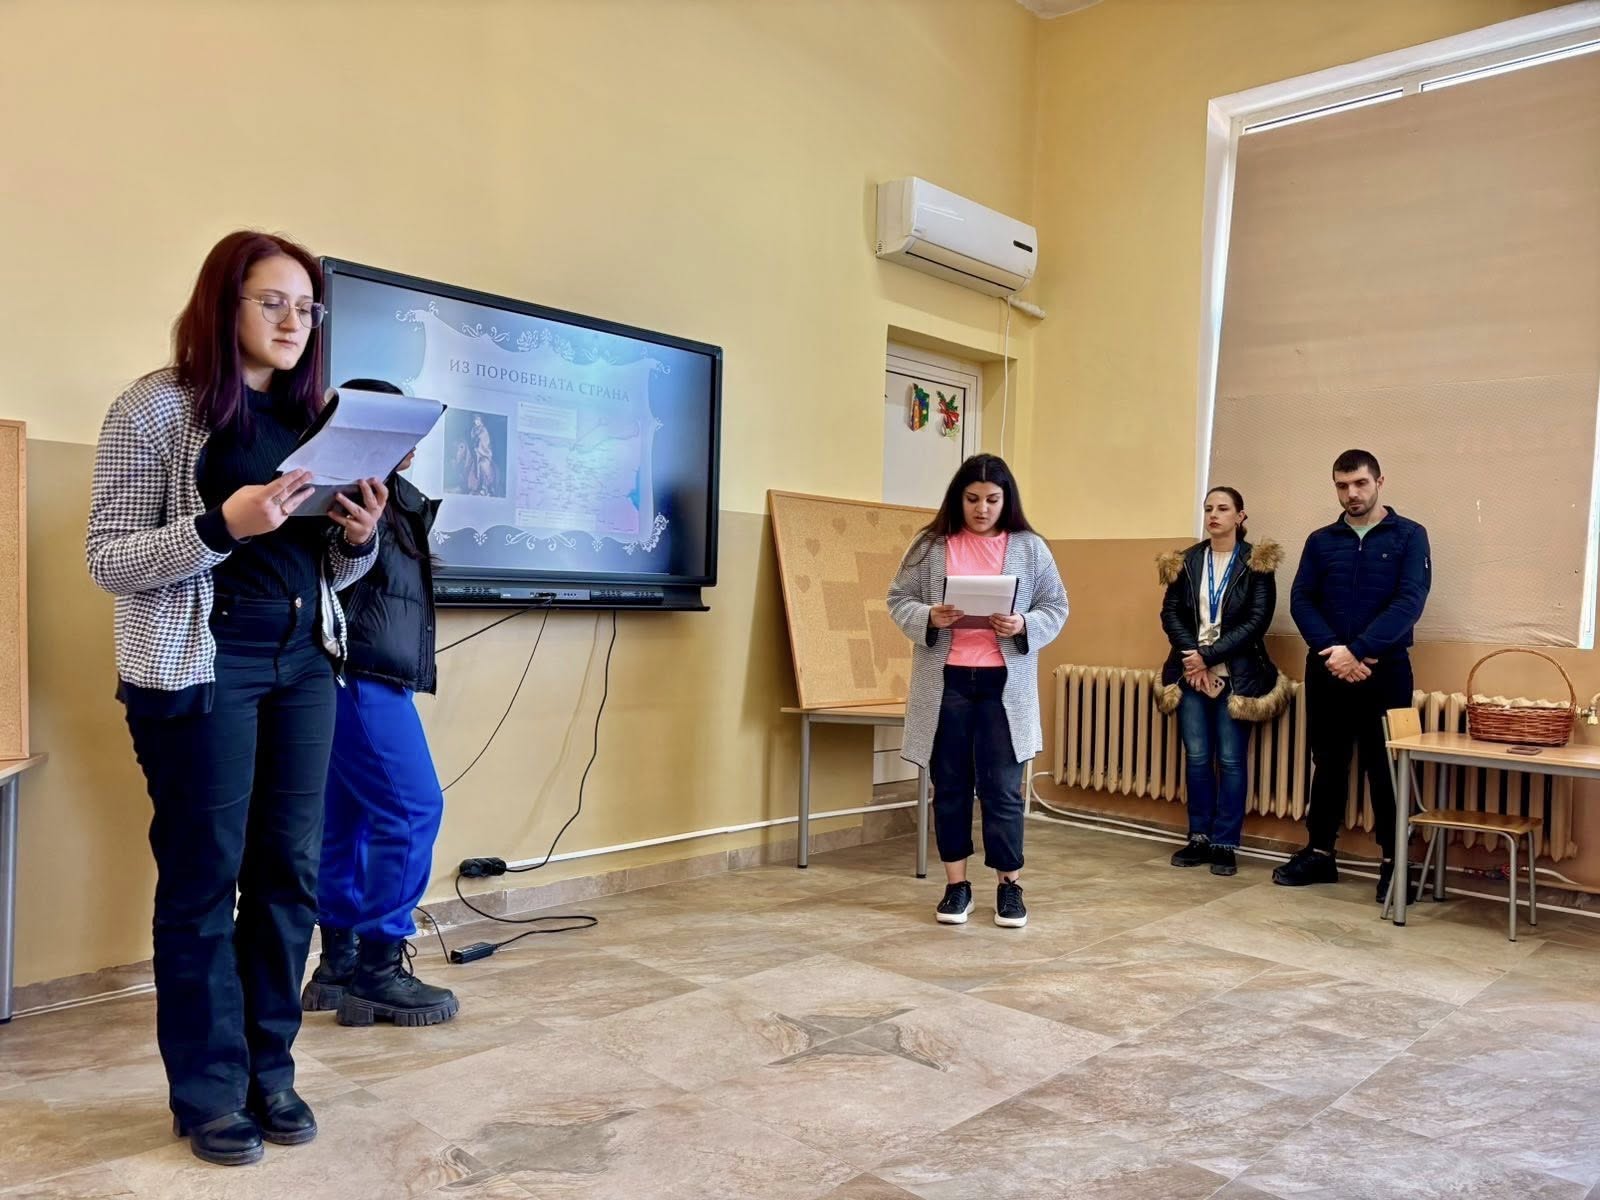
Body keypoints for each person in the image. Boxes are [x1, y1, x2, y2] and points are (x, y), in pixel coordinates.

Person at [85, 231, 388, 1166]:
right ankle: (209, 1093)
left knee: (289, 874)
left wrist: (359, 538)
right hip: (201, 665)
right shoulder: (155, 408)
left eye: (307, 307)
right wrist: (220, 525)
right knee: (204, 880)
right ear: (226, 304)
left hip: (303, 662)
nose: (295, 322)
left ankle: (270, 1072)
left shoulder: (315, 418)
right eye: (273, 302)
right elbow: (109, 558)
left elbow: (325, 567)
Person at [300, 379, 459, 1028]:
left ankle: (338, 965)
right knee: (414, 809)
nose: (411, 443)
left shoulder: (395, 498)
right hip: (356, 673)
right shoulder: (336, 494)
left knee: (347, 820)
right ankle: (377, 970)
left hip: (360, 674)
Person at [888, 454, 1069, 929]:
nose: (981, 509)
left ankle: (1010, 886)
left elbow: (1056, 605)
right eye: (972, 499)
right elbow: (898, 598)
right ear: (958, 498)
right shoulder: (930, 545)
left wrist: (1023, 623)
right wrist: (929, 616)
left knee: (1002, 788)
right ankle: (956, 887)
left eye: (992, 500)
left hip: (1003, 686)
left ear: (1007, 501)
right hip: (945, 682)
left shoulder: (1030, 548)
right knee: (949, 786)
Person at [1276, 450, 1431, 899]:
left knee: (1386, 767)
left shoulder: (1410, 535)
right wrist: (1334, 652)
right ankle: (1319, 853)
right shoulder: (1321, 540)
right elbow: (1302, 599)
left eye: (1360, 483)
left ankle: (1393, 863)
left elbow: (1409, 601)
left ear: (1379, 481)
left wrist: (1358, 651)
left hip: (1386, 670)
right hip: (1327, 667)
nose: (1352, 494)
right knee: (1327, 762)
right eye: (1342, 486)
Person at [1156, 487, 1289, 876]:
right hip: (1191, 674)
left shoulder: (1256, 563)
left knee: (1231, 760)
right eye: (1208, 508)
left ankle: (1225, 842)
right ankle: (1198, 836)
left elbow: (1257, 621)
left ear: (1240, 516)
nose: (1214, 515)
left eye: (1223, 508)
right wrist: (1192, 658)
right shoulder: (1186, 561)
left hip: (1237, 676)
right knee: (1197, 757)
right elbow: (1170, 614)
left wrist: (1209, 657)